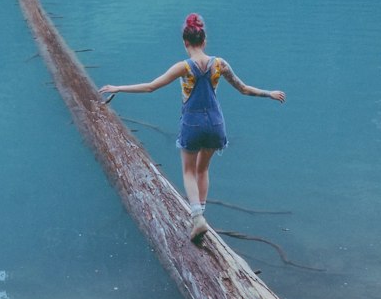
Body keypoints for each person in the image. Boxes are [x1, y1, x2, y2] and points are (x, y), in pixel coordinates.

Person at [98, 12, 285, 241]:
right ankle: (201, 215)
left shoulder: (183, 67)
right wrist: (269, 94)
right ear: (204, 41)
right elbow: (244, 88)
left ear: (185, 42)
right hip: (216, 124)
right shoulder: (220, 64)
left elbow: (150, 87)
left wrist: (118, 87)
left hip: (192, 124)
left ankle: (197, 219)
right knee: (203, 170)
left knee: (188, 171)